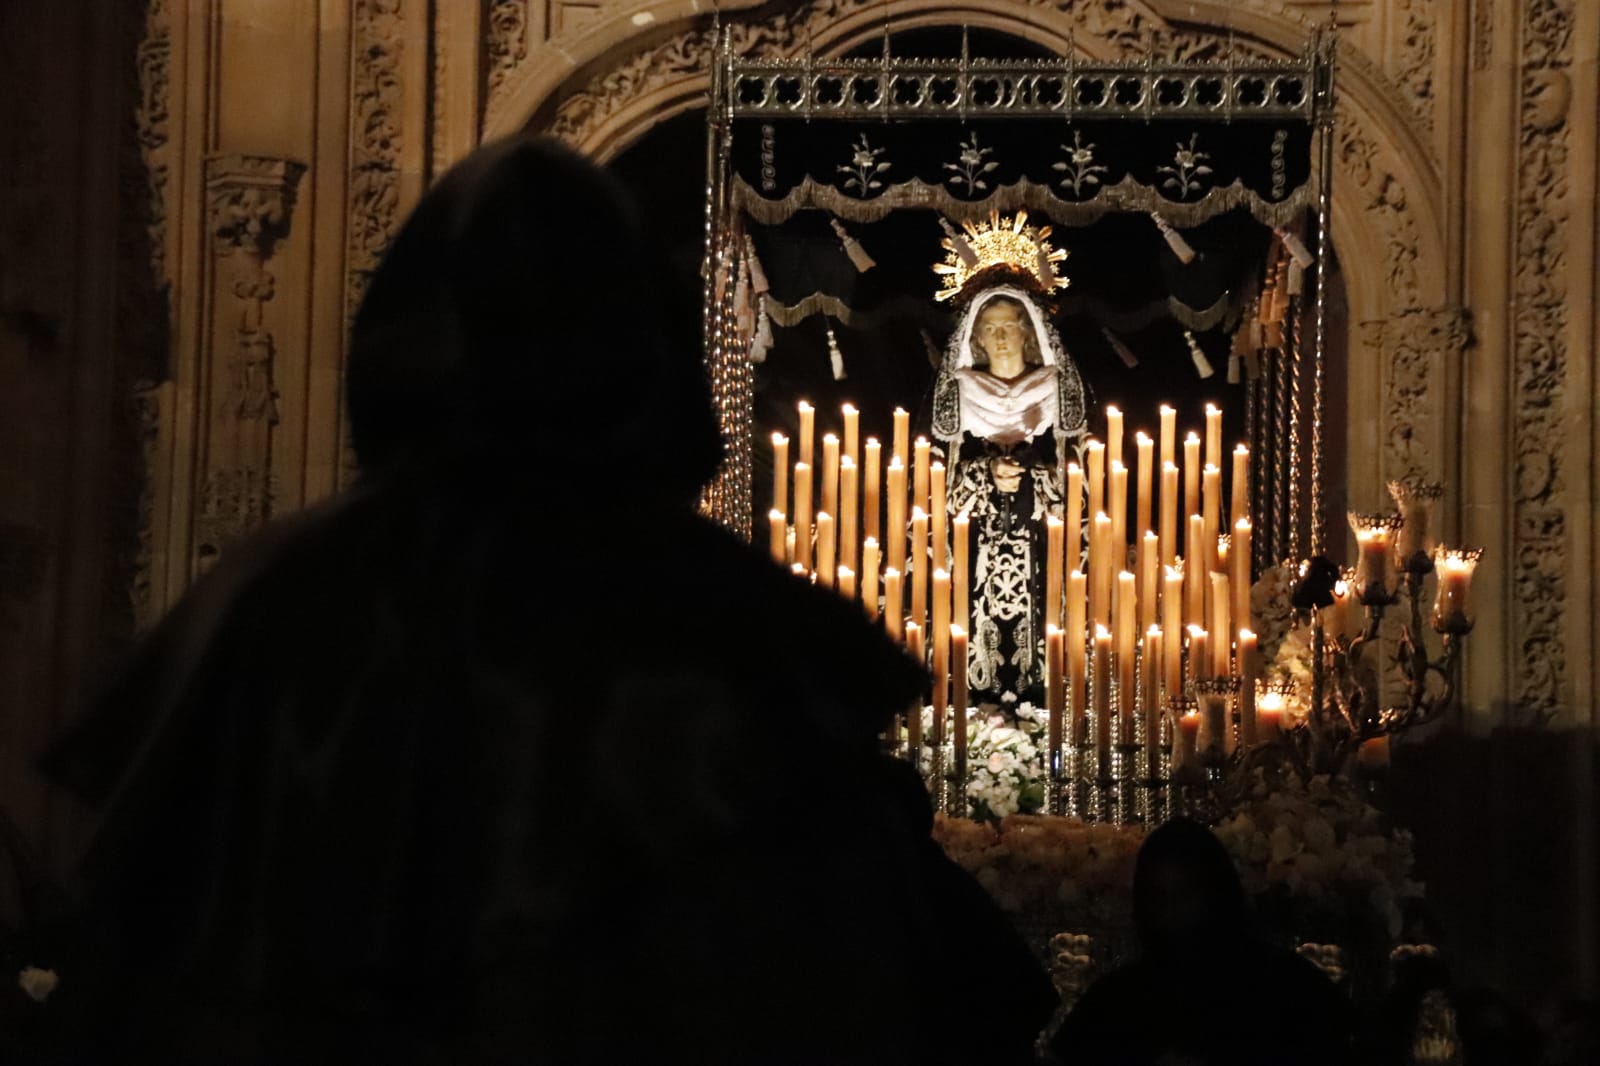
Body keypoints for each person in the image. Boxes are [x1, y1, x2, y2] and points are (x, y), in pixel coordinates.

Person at [39, 138, 1056, 1063]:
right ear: (645, 349)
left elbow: (134, 959)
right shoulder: (709, 614)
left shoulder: (266, 595)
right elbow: (839, 975)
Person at [1050, 818, 1350, 1066]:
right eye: (1159, 898)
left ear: (1215, 896)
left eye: (1184, 896)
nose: (1171, 913)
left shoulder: (1289, 990)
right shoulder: (1116, 1002)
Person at [933, 281, 1087, 704]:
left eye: (1008, 326)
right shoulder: (956, 393)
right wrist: (985, 473)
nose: (1000, 338)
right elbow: (931, 480)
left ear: (1028, 331)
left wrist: (1031, 478)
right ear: (976, 338)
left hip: (1041, 547)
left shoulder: (1058, 391)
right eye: (989, 328)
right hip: (972, 550)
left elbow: (1082, 478)